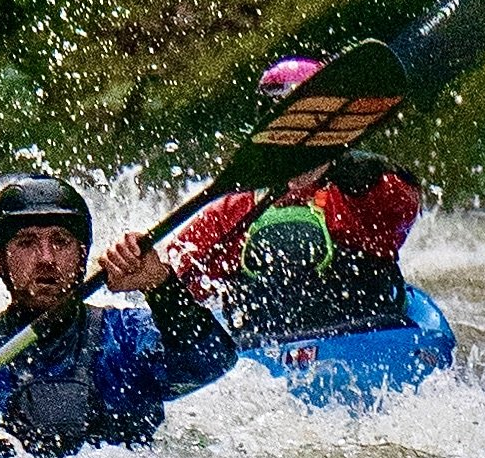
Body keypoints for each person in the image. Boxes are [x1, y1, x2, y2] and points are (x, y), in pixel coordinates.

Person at [0, 177, 236, 458]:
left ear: (82, 254)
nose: (46, 259)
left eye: (61, 241)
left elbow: (211, 362)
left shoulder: (125, 340)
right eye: (26, 243)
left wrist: (161, 286)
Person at [172, 54, 424, 341]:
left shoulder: (366, 190)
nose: (299, 140)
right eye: (288, 126)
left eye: (312, 125)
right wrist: (143, 272)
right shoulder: (230, 212)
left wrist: (338, 165)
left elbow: (405, 203)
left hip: (367, 341)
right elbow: (176, 284)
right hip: (268, 360)